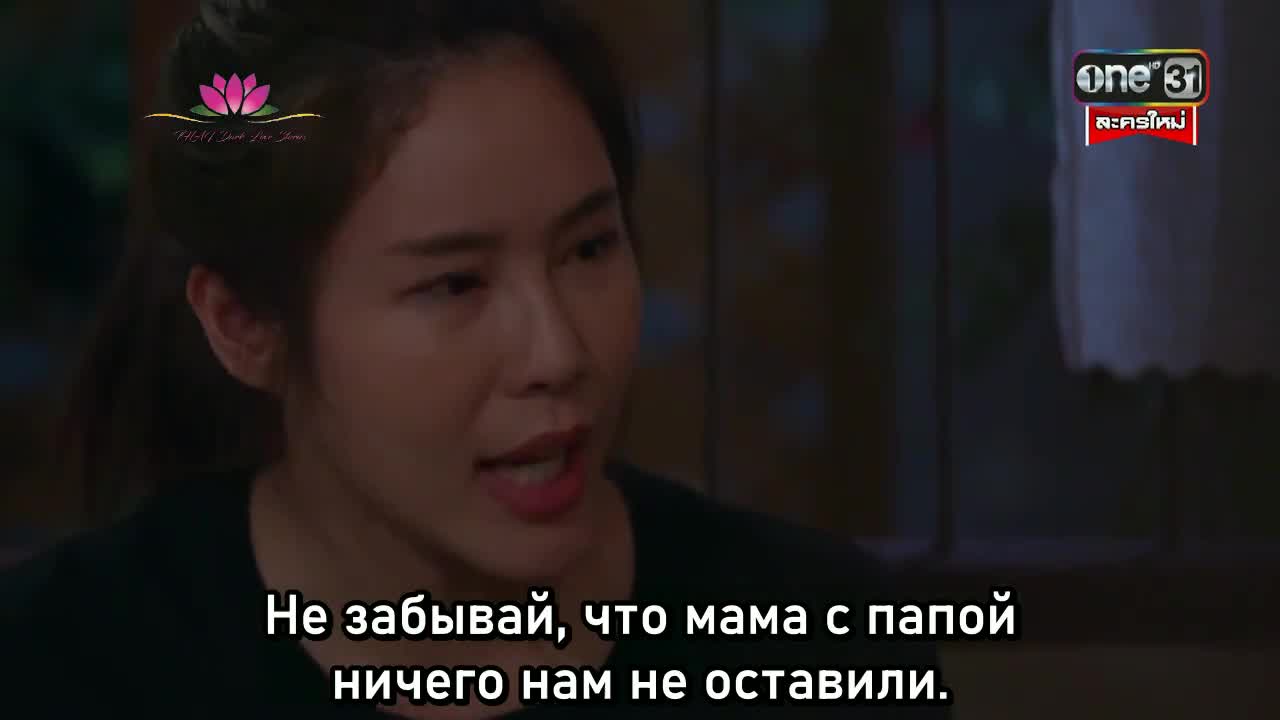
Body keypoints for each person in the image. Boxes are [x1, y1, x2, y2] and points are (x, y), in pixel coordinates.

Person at [0, 1, 949, 716]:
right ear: (245, 324)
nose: (559, 352)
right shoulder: (60, 667)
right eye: (454, 285)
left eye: (589, 249)